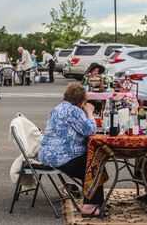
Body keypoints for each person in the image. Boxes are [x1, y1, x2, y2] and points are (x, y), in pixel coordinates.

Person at [38, 82, 103, 217]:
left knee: (94, 159)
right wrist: (90, 112)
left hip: (47, 155)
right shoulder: (74, 111)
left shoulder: (58, 108)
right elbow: (90, 130)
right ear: (81, 101)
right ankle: (90, 206)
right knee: (96, 163)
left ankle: (97, 201)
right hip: (62, 157)